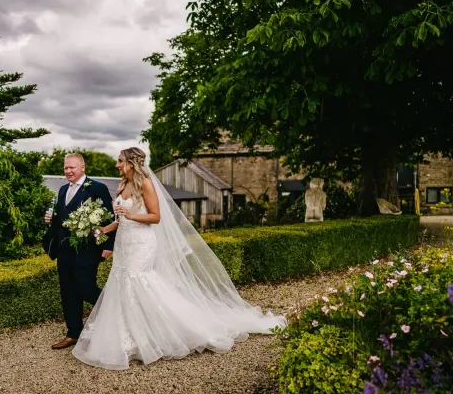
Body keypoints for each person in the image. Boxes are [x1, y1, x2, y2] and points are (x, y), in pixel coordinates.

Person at [71, 147, 286, 370]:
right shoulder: (122, 185)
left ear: (132, 163)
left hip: (142, 244)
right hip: (124, 243)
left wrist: (131, 215)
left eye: (120, 161)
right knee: (121, 282)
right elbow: (120, 219)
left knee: (140, 283)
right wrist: (105, 229)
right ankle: (130, 334)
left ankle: (166, 332)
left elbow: (155, 216)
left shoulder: (145, 183)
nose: (117, 165)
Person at [42, 153, 115, 350]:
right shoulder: (63, 189)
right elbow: (62, 217)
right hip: (64, 251)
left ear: (83, 167)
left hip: (87, 250)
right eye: (66, 168)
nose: (68, 171)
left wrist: (108, 246)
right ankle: (73, 333)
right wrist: (51, 219)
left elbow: (109, 218)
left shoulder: (97, 187)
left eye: (72, 167)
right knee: (68, 292)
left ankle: (115, 314)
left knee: (86, 288)